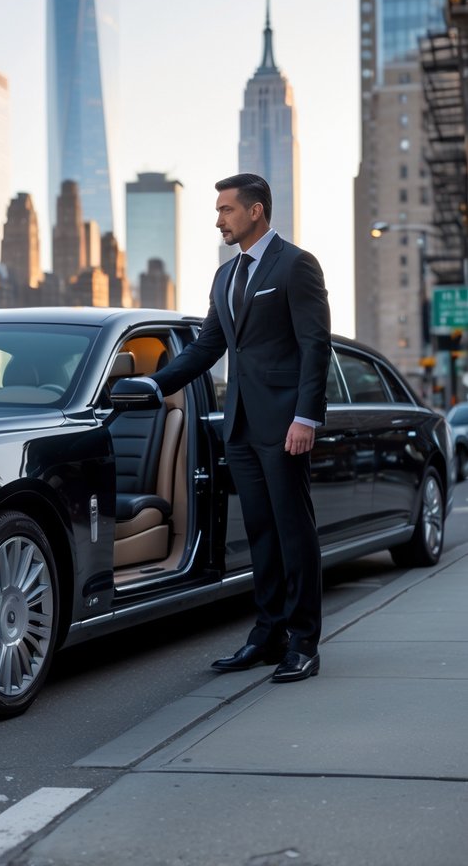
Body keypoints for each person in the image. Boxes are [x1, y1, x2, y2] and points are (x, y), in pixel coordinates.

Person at [149, 173, 331, 682]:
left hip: (285, 423)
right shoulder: (225, 277)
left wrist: (305, 417)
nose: (218, 219)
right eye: (218, 210)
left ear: (255, 211)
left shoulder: (296, 265)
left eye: (226, 210)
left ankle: (304, 642)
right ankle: (268, 633)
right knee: (261, 532)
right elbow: (208, 347)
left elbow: (316, 346)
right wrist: (153, 384)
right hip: (242, 427)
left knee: (295, 533)